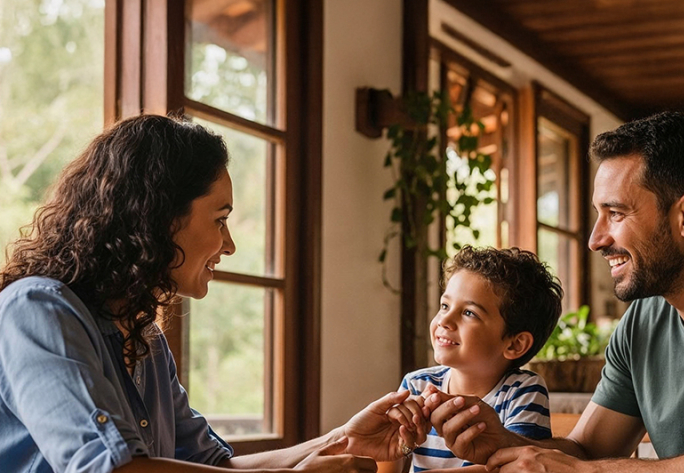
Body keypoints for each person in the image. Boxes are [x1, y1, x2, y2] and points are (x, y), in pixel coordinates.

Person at [0, 114, 425, 473]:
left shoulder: (144, 336)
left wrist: (342, 439)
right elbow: (112, 468)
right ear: (159, 216)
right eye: (220, 218)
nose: (229, 244)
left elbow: (214, 465)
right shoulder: (36, 310)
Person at [418, 112, 684, 472]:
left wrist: (588, 471)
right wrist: (500, 442)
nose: (595, 239)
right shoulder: (642, 321)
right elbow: (588, 450)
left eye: (615, 213)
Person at [377, 246, 563, 473]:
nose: (445, 320)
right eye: (445, 305)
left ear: (514, 344)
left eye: (469, 313)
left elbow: (517, 467)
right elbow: (390, 463)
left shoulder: (522, 391)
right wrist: (400, 441)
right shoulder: (416, 384)